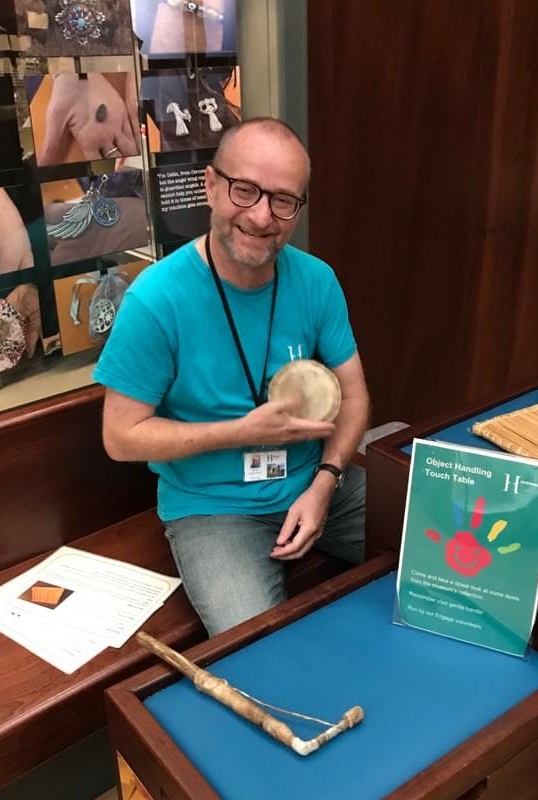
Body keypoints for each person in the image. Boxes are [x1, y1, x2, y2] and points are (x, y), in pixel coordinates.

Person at [94, 117, 370, 635]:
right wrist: (243, 433)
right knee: (254, 649)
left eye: (283, 200)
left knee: (435, 546)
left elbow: (354, 397)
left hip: (315, 481)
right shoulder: (156, 300)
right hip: (212, 508)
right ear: (211, 186)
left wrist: (326, 481)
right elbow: (120, 436)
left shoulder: (317, 280)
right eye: (245, 191)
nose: (262, 217)